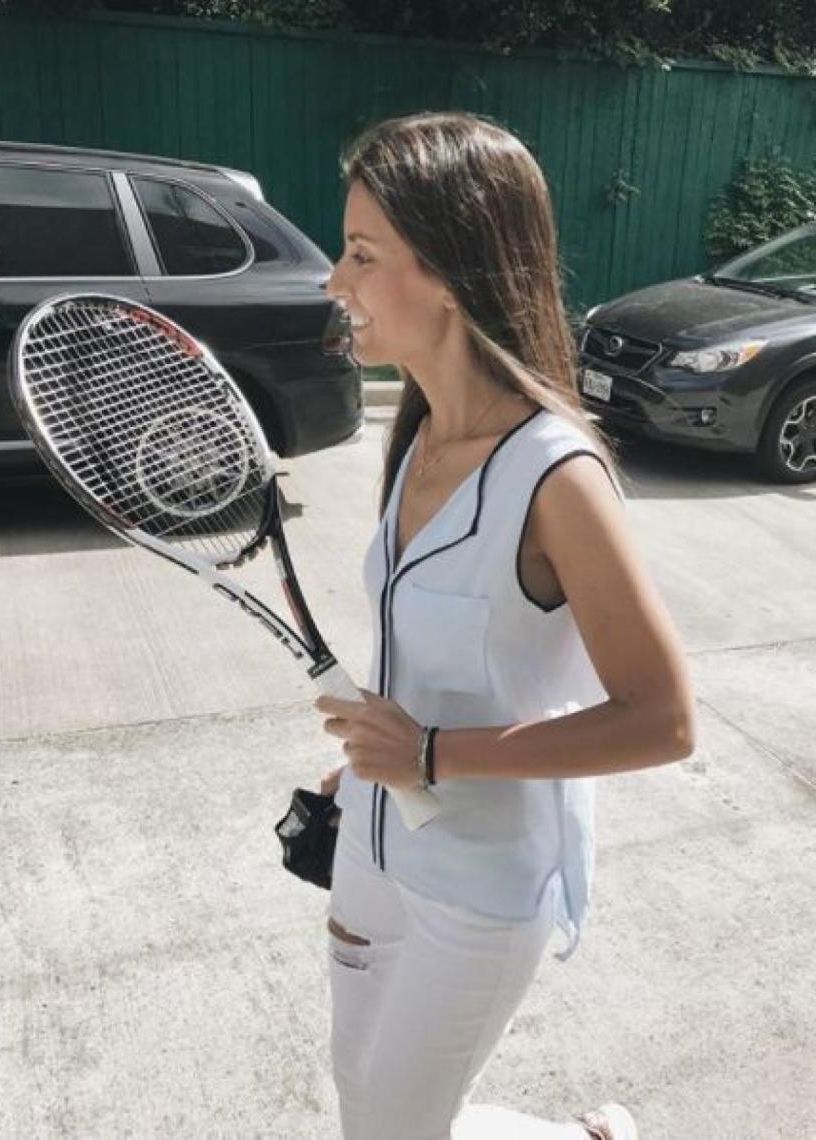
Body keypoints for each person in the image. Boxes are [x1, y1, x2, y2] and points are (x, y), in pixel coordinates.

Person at [315, 111, 695, 1140]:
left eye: (360, 254)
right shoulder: (419, 431)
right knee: (368, 1110)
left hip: (481, 891)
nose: (333, 284)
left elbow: (663, 720)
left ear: (449, 271)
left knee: (391, 1132)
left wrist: (432, 750)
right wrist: (375, 763)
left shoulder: (557, 476)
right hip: (374, 845)